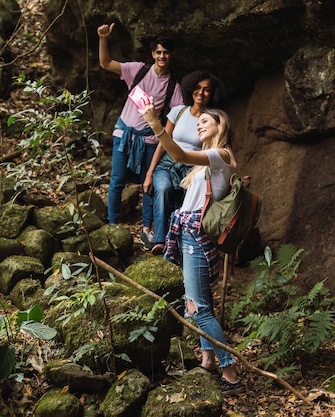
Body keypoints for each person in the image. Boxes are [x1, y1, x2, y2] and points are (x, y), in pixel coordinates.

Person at [139, 103, 244, 396]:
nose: (199, 125)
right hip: (189, 235)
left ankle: (230, 373)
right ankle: (208, 359)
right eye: (198, 122)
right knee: (194, 303)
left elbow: (179, 154)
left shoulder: (220, 156)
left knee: (200, 309)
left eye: (205, 122)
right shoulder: (206, 162)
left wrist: (156, 124)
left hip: (196, 239)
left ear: (220, 127)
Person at [97, 23, 184, 250]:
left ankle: (147, 229)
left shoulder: (173, 86)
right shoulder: (138, 70)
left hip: (149, 139)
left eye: (166, 52)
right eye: (158, 52)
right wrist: (103, 39)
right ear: (152, 54)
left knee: (148, 186)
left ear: (171, 55)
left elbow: (176, 119)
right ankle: (112, 224)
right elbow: (105, 63)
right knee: (117, 180)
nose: (162, 56)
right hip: (124, 133)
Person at [143, 70, 226, 255]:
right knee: (163, 189)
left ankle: (179, 244)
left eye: (207, 90)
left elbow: (210, 150)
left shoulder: (211, 121)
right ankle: (159, 241)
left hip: (191, 169)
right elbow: (162, 143)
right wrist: (149, 173)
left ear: (212, 94)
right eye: (197, 88)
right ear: (190, 89)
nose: (201, 92)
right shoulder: (178, 112)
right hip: (167, 164)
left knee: (184, 206)